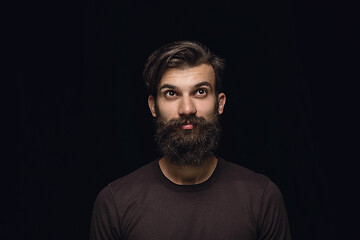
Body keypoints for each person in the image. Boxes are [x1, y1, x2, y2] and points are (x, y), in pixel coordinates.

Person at [90, 41, 291, 240]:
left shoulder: (261, 198)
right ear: (153, 106)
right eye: (171, 94)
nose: (187, 108)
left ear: (220, 103)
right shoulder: (115, 202)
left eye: (200, 92)